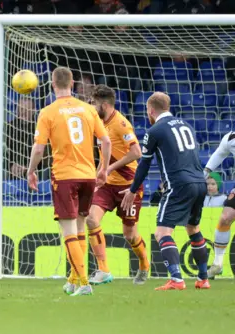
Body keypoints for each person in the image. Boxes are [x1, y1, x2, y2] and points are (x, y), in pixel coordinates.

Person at [27, 67, 111, 297]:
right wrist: (102, 169)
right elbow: (105, 140)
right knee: (80, 227)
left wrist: (31, 170)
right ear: (72, 83)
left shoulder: (48, 112)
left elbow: (39, 147)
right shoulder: (88, 109)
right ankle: (74, 279)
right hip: (88, 175)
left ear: (52, 85)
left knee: (68, 231)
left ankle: (84, 282)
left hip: (65, 176)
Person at [120, 92, 209, 290]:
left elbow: (144, 163)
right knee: (193, 228)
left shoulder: (155, 130)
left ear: (151, 110)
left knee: (162, 233)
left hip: (178, 185)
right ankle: (203, 279)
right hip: (199, 182)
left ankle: (176, 279)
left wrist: (133, 190)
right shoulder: (187, 125)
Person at [84, 85, 149, 286]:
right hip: (106, 185)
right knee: (91, 220)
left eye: (94, 103)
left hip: (128, 187)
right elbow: (103, 157)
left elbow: (137, 152)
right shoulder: (99, 124)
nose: (91, 107)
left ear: (104, 104)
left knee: (129, 234)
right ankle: (103, 270)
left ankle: (144, 264)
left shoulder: (121, 124)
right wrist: (97, 175)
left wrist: (110, 168)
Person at [203, 131, 235, 278]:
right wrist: (204, 174)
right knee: (225, 217)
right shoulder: (230, 138)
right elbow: (220, 154)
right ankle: (217, 264)